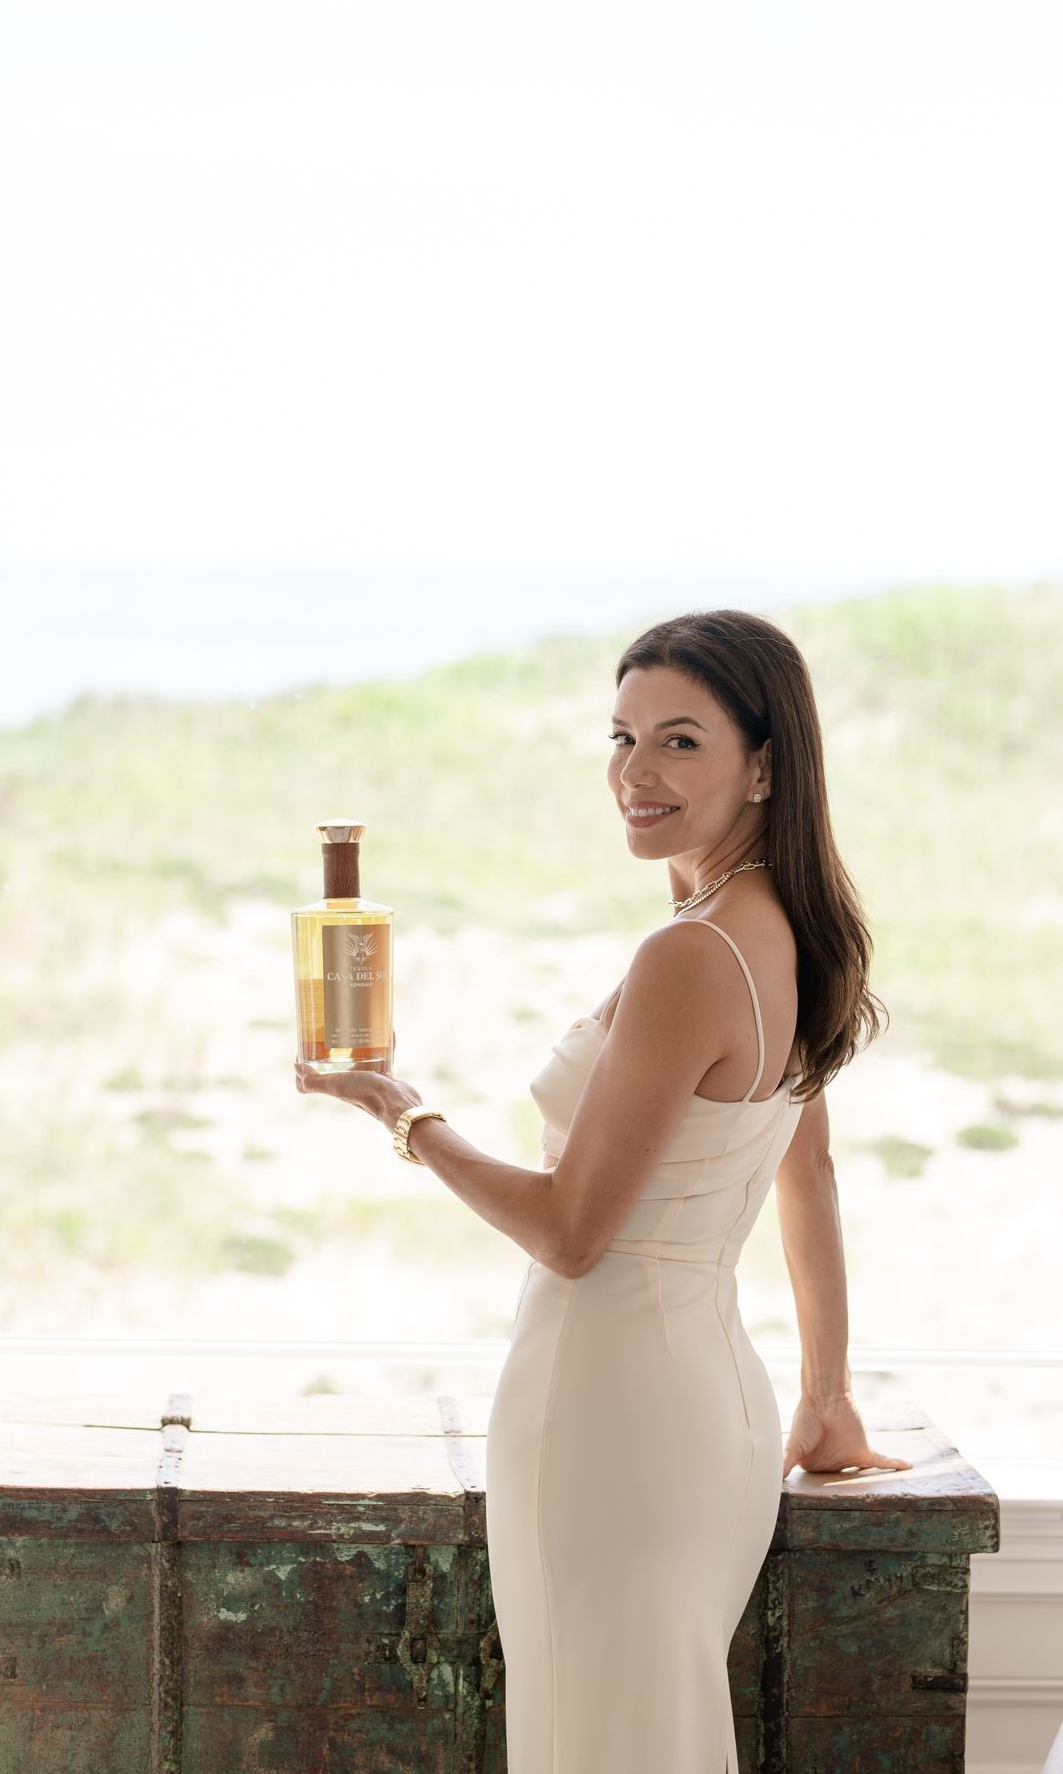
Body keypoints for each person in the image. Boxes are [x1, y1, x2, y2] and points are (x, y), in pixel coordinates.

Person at [295, 606, 911, 1773]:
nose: (635, 772)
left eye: (679, 741)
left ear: (763, 765)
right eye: (621, 738)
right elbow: (808, 1169)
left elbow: (572, 1233)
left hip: (608, 1413)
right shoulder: (782, 934)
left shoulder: (689, 955)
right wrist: (823, 1392)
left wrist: (404, 1114)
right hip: (711, 1412)